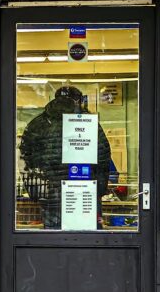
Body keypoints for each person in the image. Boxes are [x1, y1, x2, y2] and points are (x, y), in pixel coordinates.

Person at [20, 86, 111, 229]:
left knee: (52, 232)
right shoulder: (88, 122)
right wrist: (99, 189)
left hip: (50, 190)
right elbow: (103, 156)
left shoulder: (37, 124)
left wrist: (35, 191)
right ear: (78, 100)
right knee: (86, 230)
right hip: (84, 187)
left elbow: (25, 158)